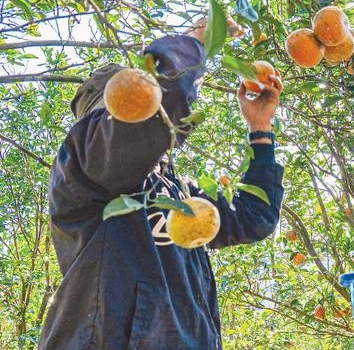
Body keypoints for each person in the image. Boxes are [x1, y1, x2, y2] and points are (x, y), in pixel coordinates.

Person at [38, 19, 285, 349]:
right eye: (130, 103)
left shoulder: (179, 194)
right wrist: (196, 41)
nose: (143, 105)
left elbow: (253, 218)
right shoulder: (82, 167)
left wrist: (260, 128)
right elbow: (151, 114)